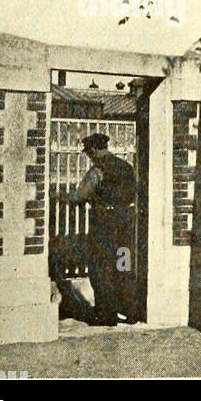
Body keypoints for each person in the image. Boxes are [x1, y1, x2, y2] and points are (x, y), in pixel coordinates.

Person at [57, 133, 137, 326]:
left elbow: (79, 197)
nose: (89, 156)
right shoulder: (127, 167)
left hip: (104, 225)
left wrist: (59, 196)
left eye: (88, 153)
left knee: (100, 267)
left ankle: (106, 314)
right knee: (123, 265)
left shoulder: (97, 171)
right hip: (125, 223)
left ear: (93, 150)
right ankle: (130, 311)